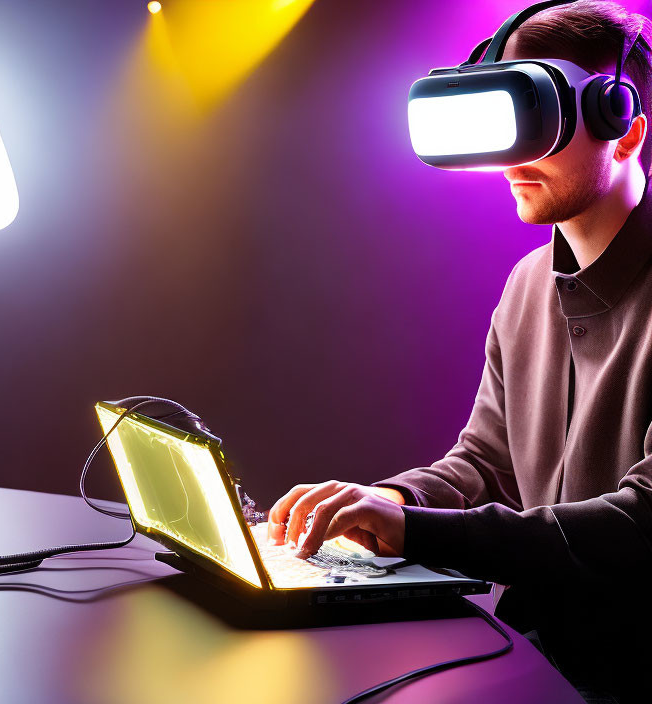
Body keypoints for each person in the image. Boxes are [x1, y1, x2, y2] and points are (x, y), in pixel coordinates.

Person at [267, 2, 652, 702]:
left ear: (622, 129)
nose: (511, 159)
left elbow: (640, 523)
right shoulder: (527, 285)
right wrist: (384, 501)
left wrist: (413, 529)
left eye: (535, 120)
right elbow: (484, 464)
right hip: (535, 653)